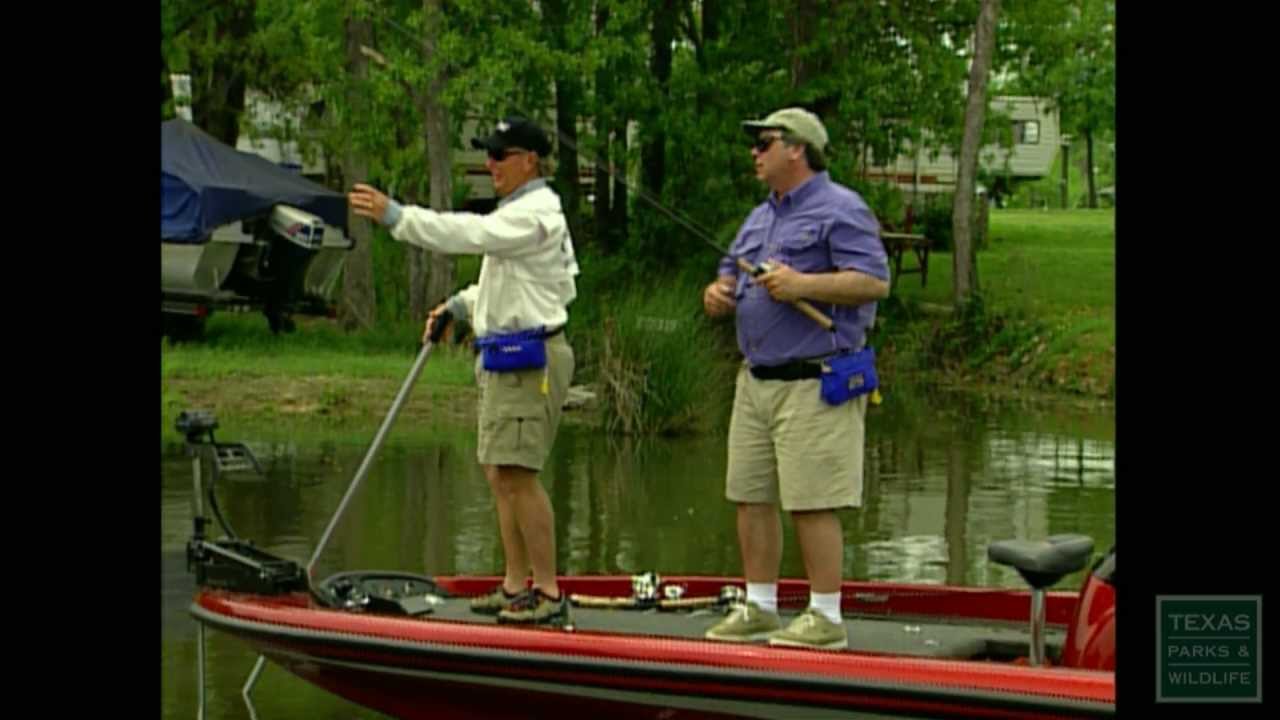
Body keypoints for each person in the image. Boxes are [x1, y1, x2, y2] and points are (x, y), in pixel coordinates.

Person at [349, 116, 578, 626]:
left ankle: (547, 592)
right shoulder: (519, 214)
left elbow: (469, 233)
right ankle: (515, 584)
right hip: (506, 356)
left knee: (520, 475)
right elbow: (521, 290)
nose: (490, 164)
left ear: (530, 161)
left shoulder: (534, 214)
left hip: (529, 360)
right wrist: (459, 304)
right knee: (500, 474)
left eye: (501, 155)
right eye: (487, 154)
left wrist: (397, 217)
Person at [701, 107, 890, 649]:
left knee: (812, 498)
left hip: (816, 378)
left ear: (797, 149)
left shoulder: (842, 209)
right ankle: (759, 605)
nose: (754, 153)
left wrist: (803, 284)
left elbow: (874, 283)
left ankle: (826, 616)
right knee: (750, 494)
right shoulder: (759, 218)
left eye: (764, 142)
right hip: (755, 380)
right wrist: (717, 294)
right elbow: (729, 271)